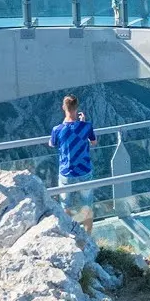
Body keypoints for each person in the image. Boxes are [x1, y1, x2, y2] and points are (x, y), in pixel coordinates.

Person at [49, 94, 99, 232]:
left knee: (65, 206)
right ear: (77, 108)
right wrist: (82, 123)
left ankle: (70, 233)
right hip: (84, 171)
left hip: (66, 173)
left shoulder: (57, 129)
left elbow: (52, 144)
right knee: (87, 205)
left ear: (63, 107)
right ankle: (88, 236)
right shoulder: (86, 127)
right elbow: (94, 142)